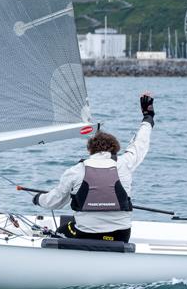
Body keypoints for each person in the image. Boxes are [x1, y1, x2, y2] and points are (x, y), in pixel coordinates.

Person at [32, 93, 155, 243]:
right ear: (115, 149)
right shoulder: (125, 163)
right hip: (121, 235)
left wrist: (38, 199)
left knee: (61, 231)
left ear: (90, 150)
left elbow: (55, 202)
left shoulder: (75, 171)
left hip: (85, 233)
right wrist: (148, 117)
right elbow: (140, 143)